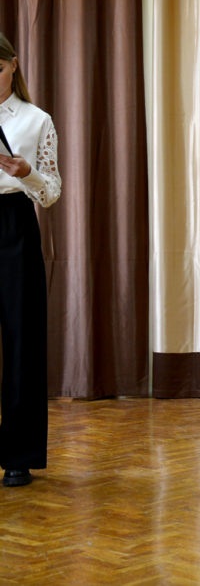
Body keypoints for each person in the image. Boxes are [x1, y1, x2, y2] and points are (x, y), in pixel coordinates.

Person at [0, 32, 61, 488]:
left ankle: (19, 456)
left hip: (14, 224)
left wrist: (28, 173)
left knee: (22, 340)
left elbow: (52, 192)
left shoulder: (37, 120)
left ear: (14, 65)